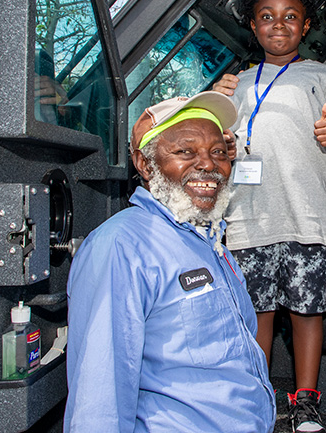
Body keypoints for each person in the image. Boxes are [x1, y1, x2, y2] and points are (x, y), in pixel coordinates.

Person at [64, 92, 276, 433]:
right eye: (185, 152)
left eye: (218, 152)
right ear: (145, 164)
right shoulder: (122, 246)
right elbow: (99, 398)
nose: (209, 164)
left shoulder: (209, 239)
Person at [213, 0, 326, 433]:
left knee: (307, 311)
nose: (279, 24)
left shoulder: (324, 76)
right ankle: (255, 396)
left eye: (290, 17)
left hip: (307, 216)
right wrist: (215, 107)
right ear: (254, 27)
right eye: (267, 17)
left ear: (306, 25)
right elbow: (214, 147)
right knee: (257, 312)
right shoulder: (234, 84)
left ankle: (306, 402)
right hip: (247, 218)